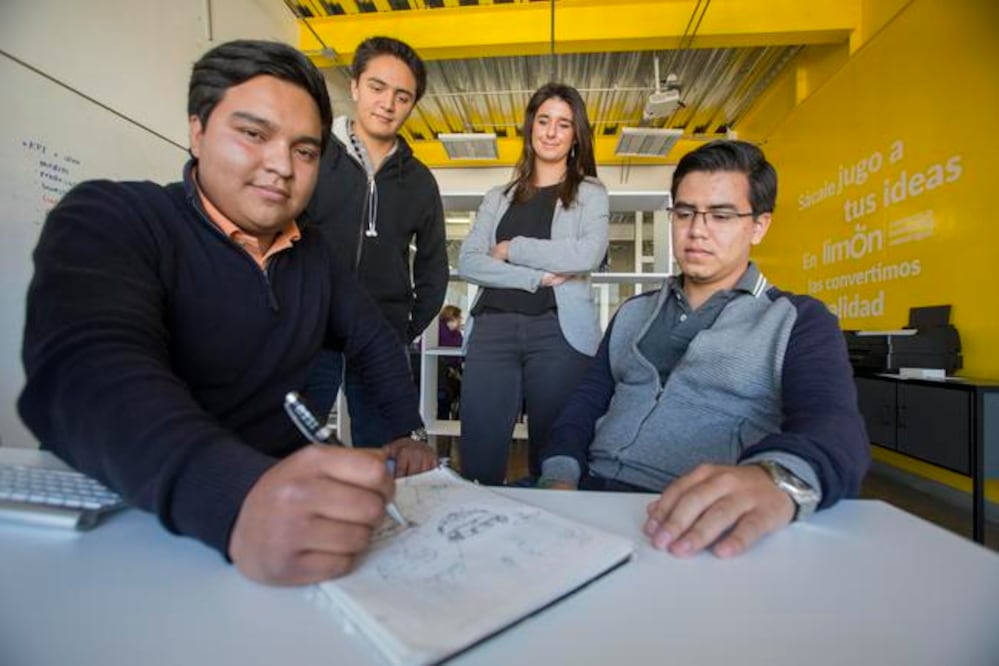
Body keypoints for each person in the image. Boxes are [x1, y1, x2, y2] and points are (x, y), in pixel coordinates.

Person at [17, 40, 436, 587]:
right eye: (253, 134)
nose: (280, 166)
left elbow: (374, 340)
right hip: (113, 523)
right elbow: (91, 374)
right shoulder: (113, 217)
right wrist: (235, 496)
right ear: (198, 130)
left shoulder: (315, 258)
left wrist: (405, 431)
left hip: (265, 531)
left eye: (305, 150)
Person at [538, 140, 870, 558]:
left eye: (722, 215)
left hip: (690, 518)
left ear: (760, 225)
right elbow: (585, 405)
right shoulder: (632, 313)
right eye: (684, 212)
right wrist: (559, 476)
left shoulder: (796, 319)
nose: (697, 230)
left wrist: (776, 479)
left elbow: (835, 427)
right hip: (584, 498)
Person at [458, 83, 609, 485]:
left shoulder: (591, 194)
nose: (551, 132)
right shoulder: (498, 197)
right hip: (492, 328)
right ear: (531, 127)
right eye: (543, 121)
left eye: (563, 124)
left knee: (554, 456)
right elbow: (468, 261)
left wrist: (511, 248)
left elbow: (586, 255)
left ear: (576, 135)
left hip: (557, 331)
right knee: (478, 455)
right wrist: (535, 277)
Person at [303, 36, 448, 447]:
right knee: (294, 447)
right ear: (354, 86)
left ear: (413, 104)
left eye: (402, 96)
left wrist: (404, 326)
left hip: (382, 340)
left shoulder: (420, 182)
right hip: (312, 333)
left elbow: (434, 267)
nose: (388, 104)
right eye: (377, 87)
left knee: (388, 451)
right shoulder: (310, 154)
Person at [436, 305, 463, 421]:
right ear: (451, 318)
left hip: (453, 373)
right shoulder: (436, 331)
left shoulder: (457, 334)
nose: (460, 321)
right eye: (459, 318)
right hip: (439, 373)